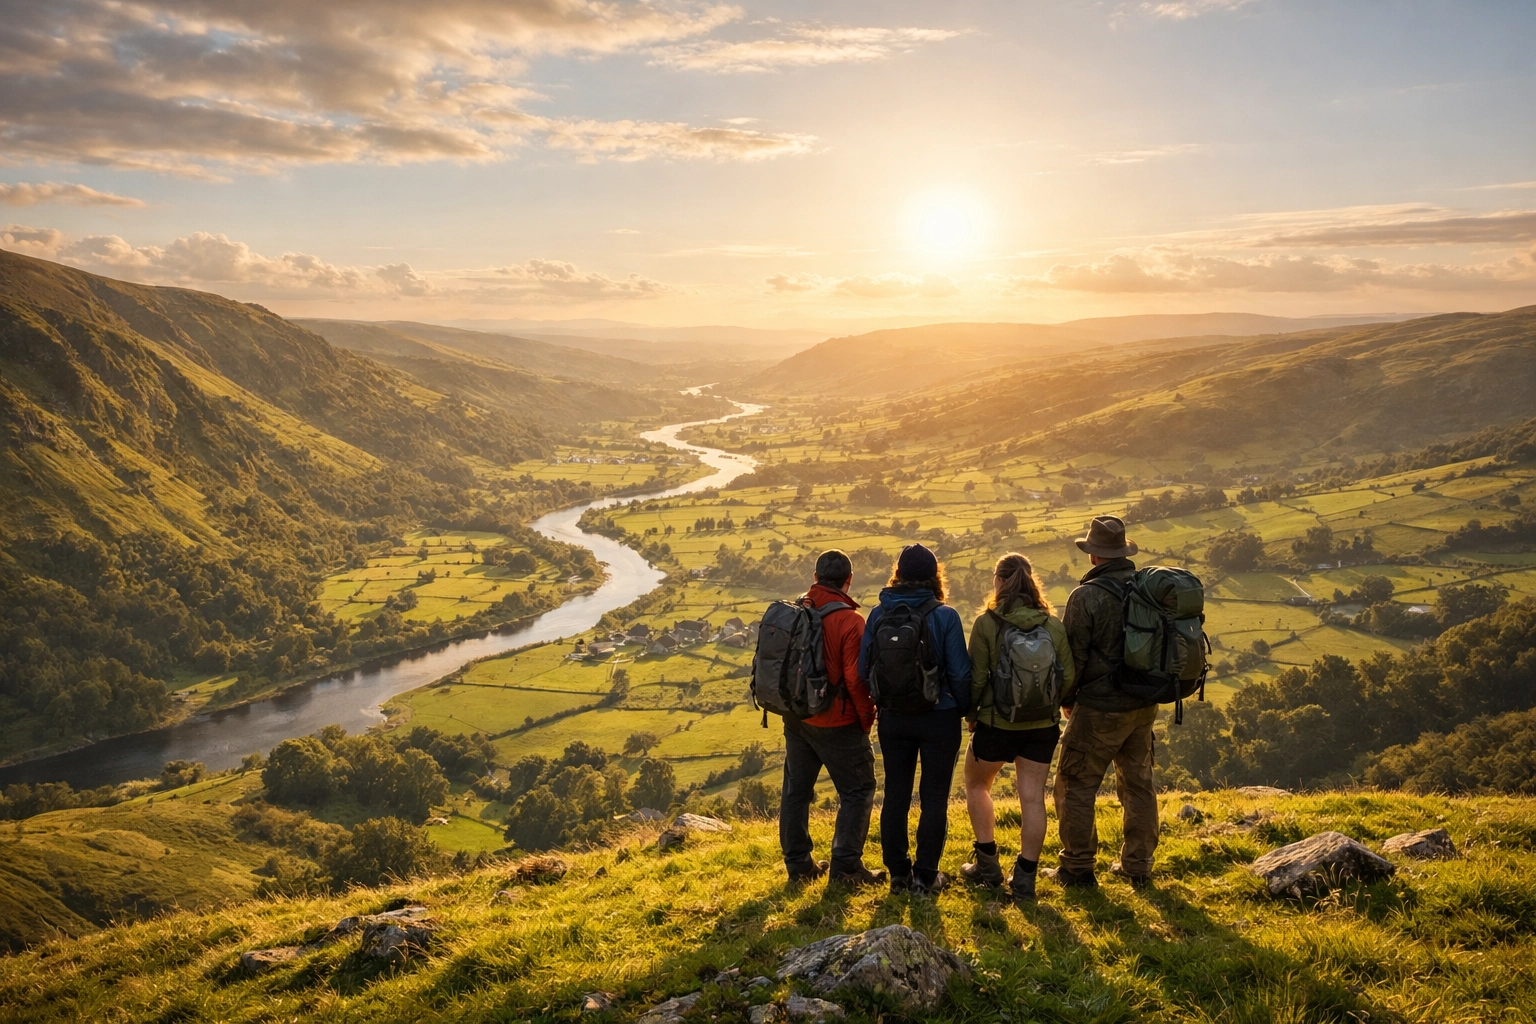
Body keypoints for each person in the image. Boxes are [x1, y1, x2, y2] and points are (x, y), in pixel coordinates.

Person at [1048, 515, 1158, 889]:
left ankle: (1077, 868)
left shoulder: (1086, 597)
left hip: (1099, 707)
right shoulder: (1148, 588)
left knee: (1075, 783)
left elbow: (1072, 658)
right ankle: (1138, 865)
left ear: (1094, 555)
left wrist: (1067, 698)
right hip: (1143, 704)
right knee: (1139, 783)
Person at [960, 553, 1075, 900]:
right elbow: (1068, 675)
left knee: (977, 783)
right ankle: (1025, 878)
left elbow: (977, 677)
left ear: (999, 580)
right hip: (1041, 726)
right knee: (1032, 798)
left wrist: (972, 713)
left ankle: (987, 865)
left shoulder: (987, 624)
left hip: (997, 723)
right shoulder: (1052, 624)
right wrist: (1048, 704)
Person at [860, 543, 971, 895]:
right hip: (939, 717)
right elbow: (961, 673)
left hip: (893, 717)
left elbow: (864, 669)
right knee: (934, 797)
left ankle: (897, 874)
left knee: (896, 793)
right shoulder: (945, 615)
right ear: (935, 576)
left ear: (899, 573)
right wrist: (966, 710)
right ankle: (925, 876)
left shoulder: (878, 614)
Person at [778, 549, 885, 886]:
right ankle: (846, 868)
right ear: (848, 581)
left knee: (796, 791)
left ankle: (798, 866)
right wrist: (866, 717)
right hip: (836, 722)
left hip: (797, 718)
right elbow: (854, 679)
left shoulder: (796, 609)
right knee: (858, 789)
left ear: (815, 578)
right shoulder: (851, 621)